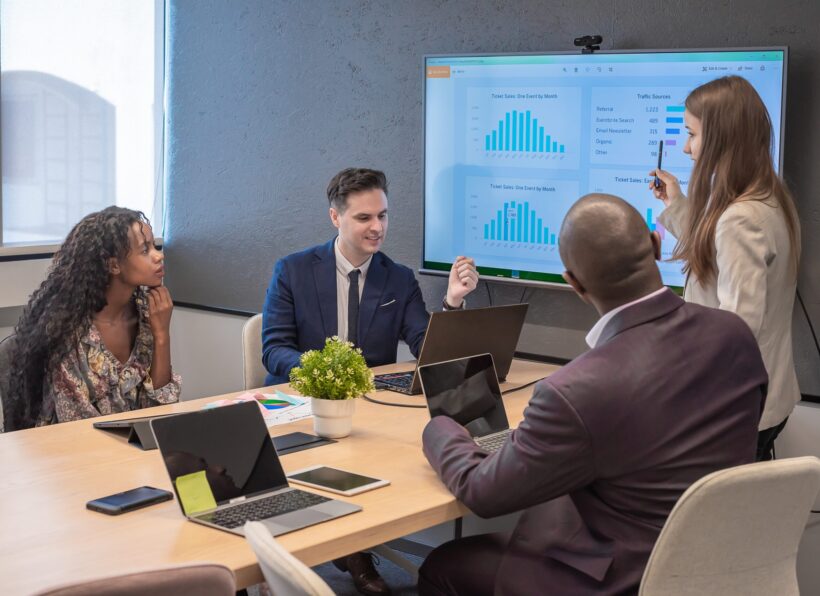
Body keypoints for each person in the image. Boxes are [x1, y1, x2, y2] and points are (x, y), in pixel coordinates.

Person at [417, 194, 768, 595]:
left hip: (621, 579)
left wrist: (441, 427)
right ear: (655, 246)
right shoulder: (733, 335)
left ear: (574, 283)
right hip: (714, 566)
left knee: (445, 564)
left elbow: (482, 491)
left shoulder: (577, 390)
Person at [261, 167, 477, 596]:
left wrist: (451, 303)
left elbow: (424, 346)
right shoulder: (294, 270)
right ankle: (285, 561)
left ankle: (355, 549)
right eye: (364, 218)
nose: (377, 227)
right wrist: (326, 373)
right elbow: (273, 349)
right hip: (303, 406)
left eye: (382, 216)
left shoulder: (397, 278)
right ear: (335, 218)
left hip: (366, 411)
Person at [650, 75, 801, 461]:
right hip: (766, 396)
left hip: (734, 406)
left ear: (721, 138)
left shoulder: (740, 217)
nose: (686, 148)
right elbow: (718, 256)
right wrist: (678, 203)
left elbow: (736, 329)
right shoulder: (771, 198)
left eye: (692, 134)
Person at [6, 206, 180, 430]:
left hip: (134, 452)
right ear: (113, 265)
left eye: (154, 246)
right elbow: (81, 430)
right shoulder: (67, 332)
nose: (159, 255)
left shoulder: (148, 313)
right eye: (145, 250)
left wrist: (161, 335)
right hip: (76, 454)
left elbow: (159, 411)